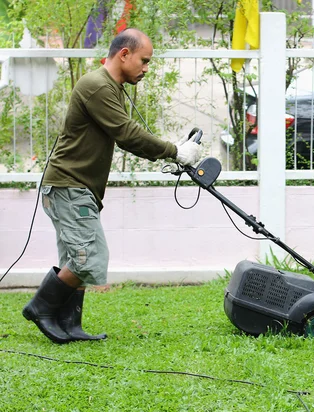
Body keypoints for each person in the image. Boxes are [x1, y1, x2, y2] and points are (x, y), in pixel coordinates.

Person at [21, 28, 203, 344]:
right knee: (88, 256)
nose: (146, 68)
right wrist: (174, 150)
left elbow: (128, 134)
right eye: (144, 61)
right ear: (124, 54)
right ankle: (41, 307)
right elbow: (127, 133)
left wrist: (169, 151)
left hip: (76, 187)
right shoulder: (97, 87)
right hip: (67, 185)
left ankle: (70, 325)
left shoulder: (112, 88)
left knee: (75, 257)